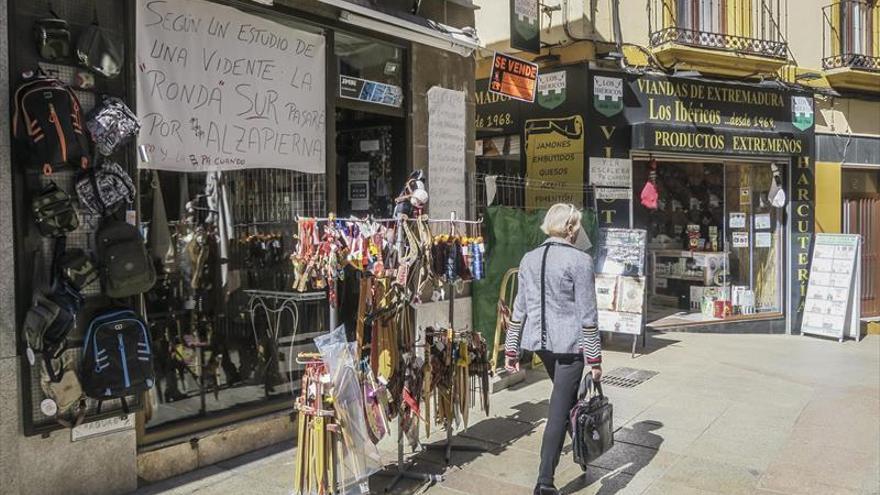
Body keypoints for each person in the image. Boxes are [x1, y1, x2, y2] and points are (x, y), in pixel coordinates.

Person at [505, 203, 602, 495]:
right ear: (570, 228)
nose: (578, 231)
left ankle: (584, 452)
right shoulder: (580, 261)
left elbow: (518, 308)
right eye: (577, 226)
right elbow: (588, 314)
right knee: (559, 410)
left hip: (540, 345)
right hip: (571, 347)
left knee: (567, 398)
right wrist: (595, 359)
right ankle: (544, 482)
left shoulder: (528, 258)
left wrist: (511, 351)